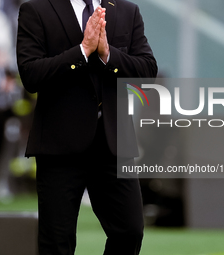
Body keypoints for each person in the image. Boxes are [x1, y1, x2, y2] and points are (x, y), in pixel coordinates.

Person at [17, 0, 157, 254]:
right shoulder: (36, 9)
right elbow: (31, 75)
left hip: (113, 142)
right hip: (59, 145)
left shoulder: (127, 10)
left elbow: (147, 71)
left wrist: (108, 54)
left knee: (130, 231)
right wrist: (81, 51)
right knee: (57, 241)